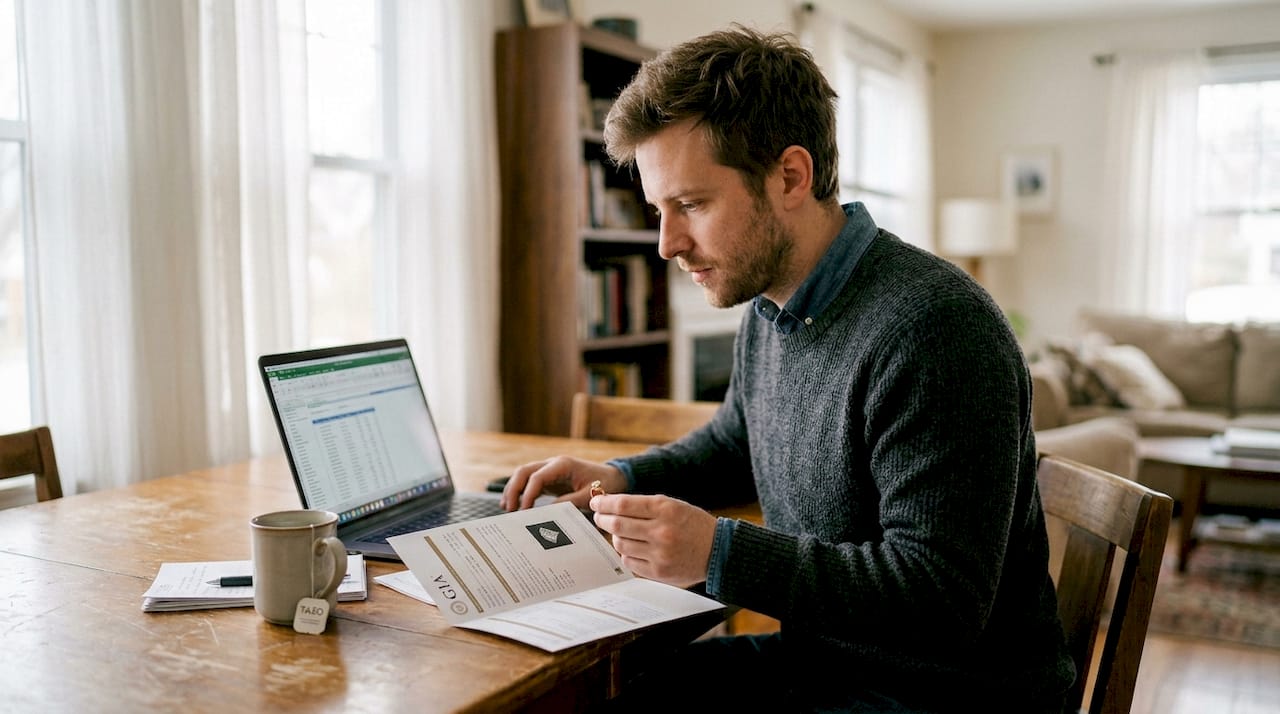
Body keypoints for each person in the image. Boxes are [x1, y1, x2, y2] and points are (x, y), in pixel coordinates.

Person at [501, 24, 1074, 713]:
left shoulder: (936, 329)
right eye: (659, 211)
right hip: (829, 664)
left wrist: (719, 552)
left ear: (790, 177)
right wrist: (619, 477)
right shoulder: (772, 310)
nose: (666, 244)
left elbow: (941, 599)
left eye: (691, 204)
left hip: (942, 695)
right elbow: (735, 444)